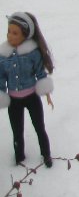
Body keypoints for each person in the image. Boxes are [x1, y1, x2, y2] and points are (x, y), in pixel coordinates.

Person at [0, 12, 54, 167]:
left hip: (31, 98)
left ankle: (46, 155)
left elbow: (40, 73)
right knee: (17, 132)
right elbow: (1, 77)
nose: (10, 36)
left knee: (39, 128)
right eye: (8, 32)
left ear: (25, 35)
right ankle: (19, 158)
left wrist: (47, 93)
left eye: (15, 33)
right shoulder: (3, 55)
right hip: (13, 101)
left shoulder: (32, 53)